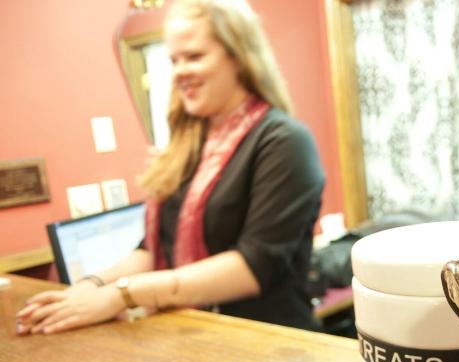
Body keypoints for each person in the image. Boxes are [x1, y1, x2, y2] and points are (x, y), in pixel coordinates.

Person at [17, 0, 325, 335]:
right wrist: (88, 287)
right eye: (174, 60)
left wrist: (122, 295)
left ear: (239, 56)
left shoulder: (284, 141)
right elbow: (154, 250)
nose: (179, 72)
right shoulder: (186, 145)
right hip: (194, 335)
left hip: (268, 342)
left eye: (194, 57)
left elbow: (253, 266)